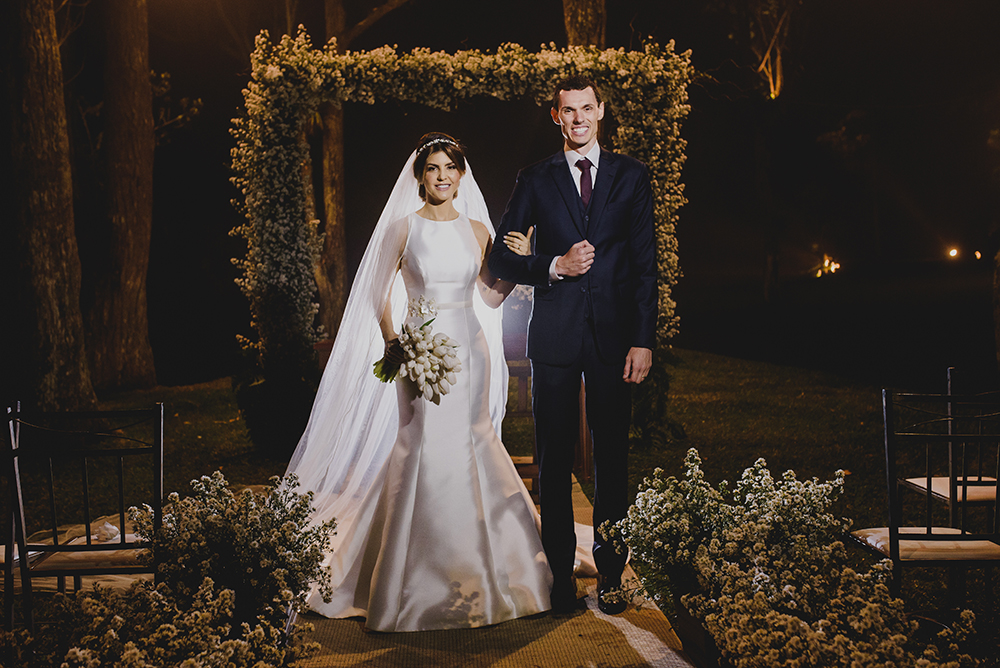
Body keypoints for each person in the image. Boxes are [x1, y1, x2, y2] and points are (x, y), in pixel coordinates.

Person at [285, 133, 553, 632]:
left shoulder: (478, 231)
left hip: (469, 352)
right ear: (420, 176)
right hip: (417, 350)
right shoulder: (403, 228)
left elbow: (490, 298)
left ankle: (491, 562)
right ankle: (407, 573)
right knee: (419, 443)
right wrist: (394, 340)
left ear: (461, 175)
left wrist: (519, 264)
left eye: (450, 167)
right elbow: (376, 290)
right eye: (433, 168)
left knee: (474, 441)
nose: (442, 176)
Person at [488, 75, 657, 615]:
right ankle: (560, 576)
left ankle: (611, 574)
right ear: (555, 117)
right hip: (555, 338)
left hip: (614, 340)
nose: (579, 118)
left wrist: (642, 340)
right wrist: (553, 266)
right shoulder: (535, 179)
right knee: (553, 460)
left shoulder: (632, 176)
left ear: (600, 110)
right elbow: (501, 258)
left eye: (587, 108)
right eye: (569, 110)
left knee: (612, 460)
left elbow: (645, 267)